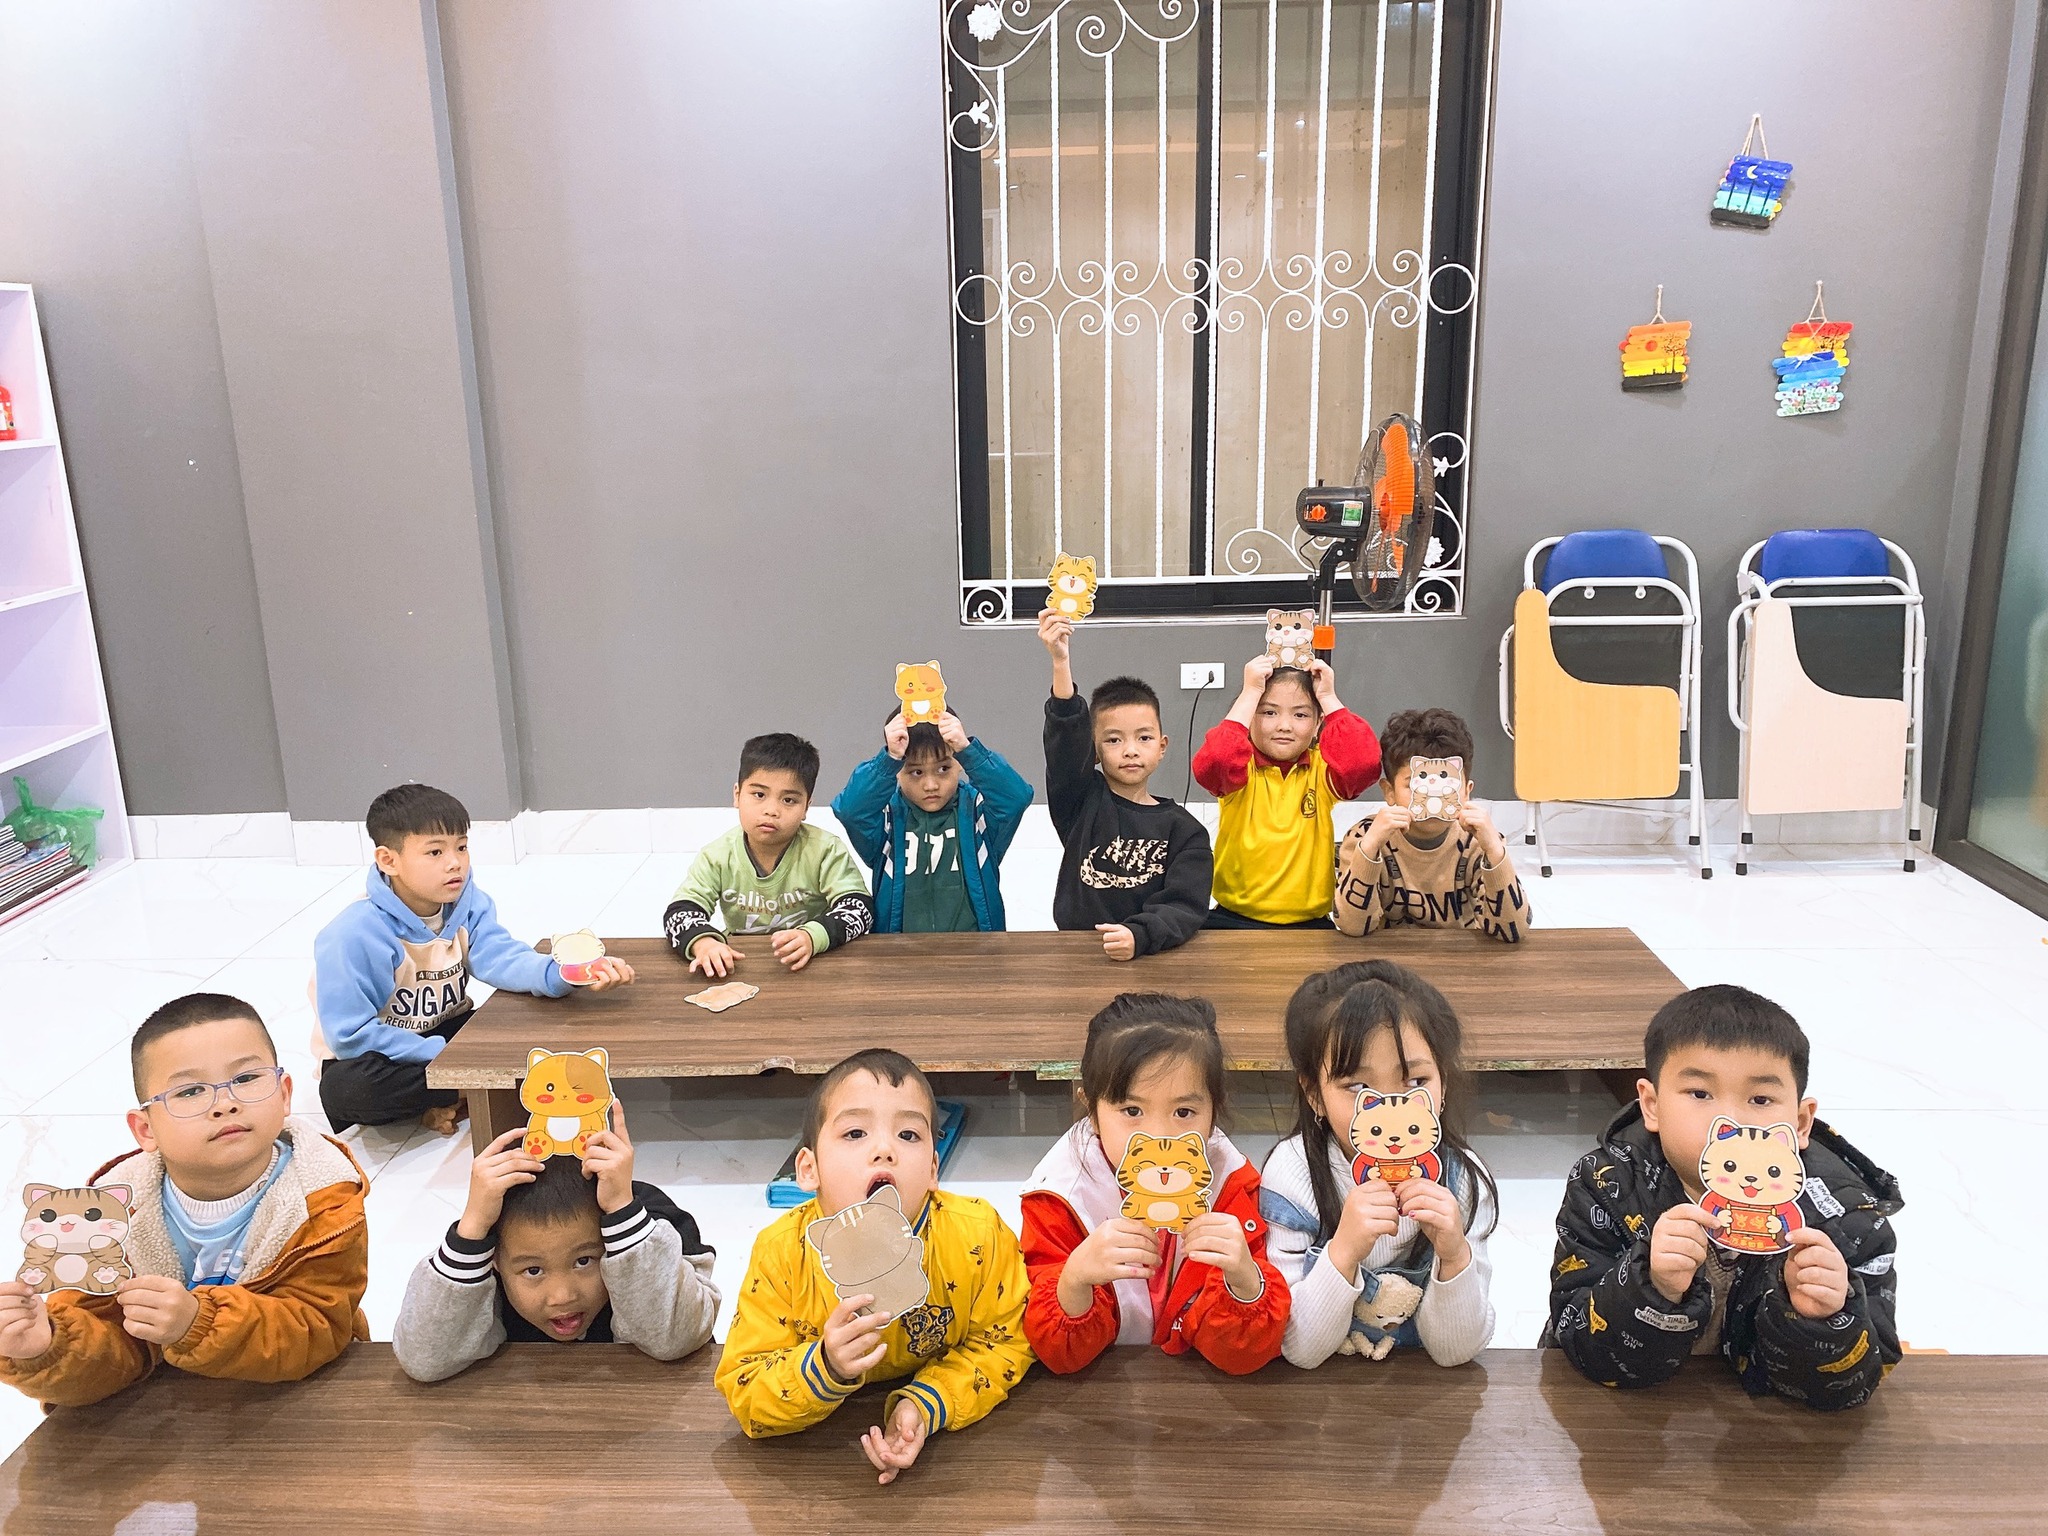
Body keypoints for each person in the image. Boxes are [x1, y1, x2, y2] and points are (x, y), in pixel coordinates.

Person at [1543, 984, 1904, 1410]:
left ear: (1800, 1122)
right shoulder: (1607, 1186)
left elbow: (1857, 1386)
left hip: (1764, 1428)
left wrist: (1825, 1319)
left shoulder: (1846, 1219)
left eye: (1760, 1099)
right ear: (1652, 1105)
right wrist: (1652, 1287)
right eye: (1700, 1094)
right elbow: (1575, 1343)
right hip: (1626, 1414)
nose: (1729, 1119)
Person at [0, 994, 369, 1406]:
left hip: (299, 1398)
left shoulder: (324, 1201)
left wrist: (199, 1323)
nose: (225, 1104)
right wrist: (45, 1347)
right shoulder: (104, 1218)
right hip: (169, 1414)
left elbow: (319, 1327)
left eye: (247, 1078)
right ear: (145, 1130)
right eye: (191, 1091)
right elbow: (110, 1353)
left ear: (284, 1094)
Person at [716, 1050, 1034, 1483]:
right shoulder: (781, 1254)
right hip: (817, 1469)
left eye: (908, 1134)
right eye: (855, 1133)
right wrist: (824, 1366)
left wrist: (926, 1403)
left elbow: (1006, 1343)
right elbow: (745, 1388)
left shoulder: (978, 1235)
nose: (885, 1150)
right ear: (808, 1169)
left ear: (934, 1168)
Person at [315, 783, 633, 1136]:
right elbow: (351, 1036)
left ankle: (448, 1097)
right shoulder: (353, 933)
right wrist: (446, 1056)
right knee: (347, 1090)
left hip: (448, 1028)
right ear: (388, 861)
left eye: (462, 847)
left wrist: (563, 974)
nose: (455, 863)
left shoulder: (467, 903)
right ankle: (466, 1088)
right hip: (378, 1052)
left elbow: (499, 956)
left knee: (537, 1016)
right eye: (435, 852)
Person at [1019, 993, 1288, 1373]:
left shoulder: (1231, 1188)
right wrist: (1075, 1280)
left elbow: (1242, 1357)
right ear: (1092, 1111)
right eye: (1132, 1110)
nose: (1159, 1136)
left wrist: (1244, 1281)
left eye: (1184, 1112)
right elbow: (1061, 1357)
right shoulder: (1058, 1198)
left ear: (1214, 1111)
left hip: (1197, 1384)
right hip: (1107, 1385)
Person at [1260, 962, 1496, 1367]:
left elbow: (1455, 1353)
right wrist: (1344, 1250)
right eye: (1357, 1087)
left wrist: (1454, 1256)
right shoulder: (1293, 1175)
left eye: (1415, 1082)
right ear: (1314, 1094)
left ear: (1442, 1083)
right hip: (1323, 1390)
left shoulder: (1461, 1179)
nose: (1391, 1111)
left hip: (1421, 1388)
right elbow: (1299, 1349)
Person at [392, 1105, 717, 1380]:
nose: (563, 1296)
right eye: (533, 1270)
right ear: (495, 1261)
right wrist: (473, 1227)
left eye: (584, 1261)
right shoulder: (480, 1250)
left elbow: (675, 1339)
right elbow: (424, 1360)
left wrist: (622, 1212)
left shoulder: (647, 1225)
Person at [1038, 608, 1212, 959]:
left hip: (1152, 955)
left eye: (1144, 738)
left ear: (1162, 746)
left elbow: (1185, 906)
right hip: (1078, 954)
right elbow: (1066, 743)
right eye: (1114, 740)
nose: (1130, 750)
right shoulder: (1080, 803)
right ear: (1095, 750)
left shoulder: (1186, 831)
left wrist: (1140, 934)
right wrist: (1060, 661)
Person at [664, 733, 875, 977]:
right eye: (759, 795)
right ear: (737, 795)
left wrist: (813, 936)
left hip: (812, 961)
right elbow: (680, 912)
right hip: (740, 963)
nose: (772, 810)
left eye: (789, 800)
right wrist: (704, 944)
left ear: (806, 807)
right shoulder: (717, 856)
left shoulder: (826, 850)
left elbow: (859, 908)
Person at [1192, 655, 1379, 928]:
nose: (1284, 726)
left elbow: (1363, 764)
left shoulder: (1320, 770)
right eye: (1269, 712)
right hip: (1232, 919)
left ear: (1317, 724)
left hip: (1311, 923)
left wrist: (1328, 698)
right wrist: (1250, 693)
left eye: (1300, 715)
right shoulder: (1239, 769)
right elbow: (1215, 761)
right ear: (1249, 717)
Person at [831, 705, 1033, 933]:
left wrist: (968, 750)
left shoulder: (978, 813)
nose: (931, 785)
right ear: (898, 771)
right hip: (897, 951)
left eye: (943, 768)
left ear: (960, 764)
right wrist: (889, 759)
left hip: (977, 949)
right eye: (916, 772)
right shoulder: (886, 819)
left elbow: (1016, 798)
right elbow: (850, 811)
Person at [1334, 707, 1528, 942]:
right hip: (1388, 955)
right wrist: (1369, 849)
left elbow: (1512, 931)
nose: (1432, 796)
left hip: (1459, 954)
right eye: (1416, 784)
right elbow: (1352, 926)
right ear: (1389, 792)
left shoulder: (1479, 842)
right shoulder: (1364, 837)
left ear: (1466, 792)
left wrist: (1495, 852)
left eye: (1447, 783)